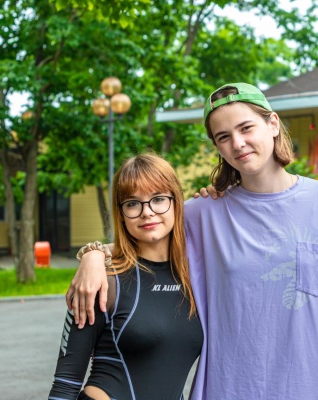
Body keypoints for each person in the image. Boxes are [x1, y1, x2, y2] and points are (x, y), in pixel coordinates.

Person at [68, 82, 318, 399]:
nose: (238, 143)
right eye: (223, 137)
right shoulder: (201, 213)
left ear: (273, 124)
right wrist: (92, 256)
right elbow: (142, 244)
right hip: (226, 389)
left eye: (246, 128)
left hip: (305, 388)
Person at [49, 153, 203, 400]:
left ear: (176, 201)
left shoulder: (196, 275)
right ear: (121, 213)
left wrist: (94, 252)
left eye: (158, 199)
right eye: (132, 203)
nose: (147, 212)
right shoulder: (101, 281)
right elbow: (65, 383)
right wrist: (93, 255)